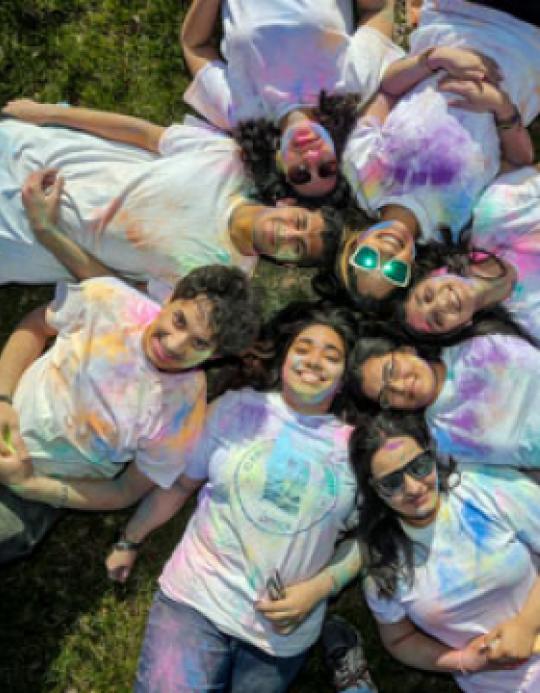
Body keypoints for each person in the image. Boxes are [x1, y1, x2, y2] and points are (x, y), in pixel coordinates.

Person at [102, 303, 361, 692]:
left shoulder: (359, 449)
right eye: (303, 348)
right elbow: (180, 486)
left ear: (343, 379)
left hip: (282, 631)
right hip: (197, 600)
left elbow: (372, 538)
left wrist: (322, 587)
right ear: (285, 357)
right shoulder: (237, 409)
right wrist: (129, 539)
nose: (314, 361)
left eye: (332, 355)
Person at [0, 263, 260, 563]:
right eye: (179, 320)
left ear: (214, 356)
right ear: (172, 298)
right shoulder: (106, 298)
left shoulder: (183, 413)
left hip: (36, 488)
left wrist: (32, 486)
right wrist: (4, 398)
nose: (174, 344)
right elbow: (36, 326)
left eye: (199, 343)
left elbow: (125, 491)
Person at [0, 102, 343, 287]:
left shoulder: (219, 281)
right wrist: (46, 113)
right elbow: (144, 134)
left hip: (18, 241)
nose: (287, 232)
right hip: (30, 155)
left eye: (296, 246)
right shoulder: (229, 160)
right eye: (299, 222)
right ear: (287, 203)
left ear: (285, 262)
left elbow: (114, 292)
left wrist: (46, 230)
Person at [335, 0, 540, 308]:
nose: (386, 255)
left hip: (455, 19)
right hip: (527, 46)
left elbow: (388, 91)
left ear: (352, 244)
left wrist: (435, 60)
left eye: (366, 259)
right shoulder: (459, 225)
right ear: (413, 268)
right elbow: (517, 163)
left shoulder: (362, 173)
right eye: (394, 270)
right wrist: (500, 107)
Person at [351, 411, 540, 692]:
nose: (413, 488)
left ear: (432, 453)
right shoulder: (384, 565)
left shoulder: (486, 490)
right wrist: (464, 661)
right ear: (374, 490)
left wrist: (526, 624)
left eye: (419, 466)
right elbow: (399, 640)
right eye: (392, 483)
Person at [180, 0, 403, 203]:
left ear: (280, 166)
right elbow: (378, 8)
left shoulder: (241, 112)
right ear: (339, 154)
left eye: (300, 174)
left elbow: (194, 45)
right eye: (327, 168)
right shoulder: (351, 86)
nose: (311, 157)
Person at [350, 326, 540, 469]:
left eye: (391, 371)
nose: (399, 387)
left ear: (407, 350)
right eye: (386, 395)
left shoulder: (475, 340)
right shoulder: (442, 442)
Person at [397, 165, 540, 343]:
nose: (442, 304)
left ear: (435, 273)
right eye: (438, 320)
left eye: (427, 296)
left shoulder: (494, 215)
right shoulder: (532, 323)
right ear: (463, 326)